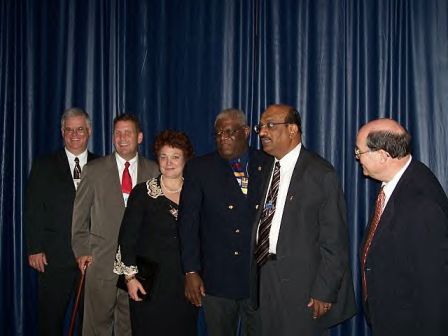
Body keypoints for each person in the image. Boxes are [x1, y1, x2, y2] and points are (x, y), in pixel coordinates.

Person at [251, 104, 356, 336]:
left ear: (292, 129)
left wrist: (324, 291)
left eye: (270, 125)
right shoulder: (265, 168)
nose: (262, 132)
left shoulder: (321, 173)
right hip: (264, 280)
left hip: (304, 287)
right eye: (261, 126)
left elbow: (335, 241)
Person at [178, 108, 269, 336]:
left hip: (259, 278)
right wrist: (190, 271)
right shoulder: (200, 168)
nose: (223, 138)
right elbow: (188, 223)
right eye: (218, 134)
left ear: (246, 132)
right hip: (217, 278)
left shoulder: (267, 163)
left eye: (230, 132)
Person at [355, 118, 448, 336]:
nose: (357, 157)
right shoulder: (402, 181)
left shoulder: (421, 204)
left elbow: (434, 289)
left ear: (383, 155)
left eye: (359, 152)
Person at [71, 113, 159, 336]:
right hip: (100, 265)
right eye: (117, 133)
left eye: (127, 133)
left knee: (129, 328)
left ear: (139, 137)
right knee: (94, 329)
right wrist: (82, 251)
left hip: (139, 267)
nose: (122, 138)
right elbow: (79, 219)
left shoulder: (155, 171)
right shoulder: (93, 170)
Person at [113, 130, 197, 335]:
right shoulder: (142, 193)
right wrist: (130, 279)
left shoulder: (196, 193)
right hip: (149, 285)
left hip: (185, 284)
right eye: (163, 157)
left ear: (185, 159)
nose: (169, 163)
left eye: (175, 157)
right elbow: (127, 238)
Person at [25, 107, 99, 335]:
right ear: (61, 132)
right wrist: (34, 248)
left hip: (93, 258)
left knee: (90, 322)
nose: (74, 135)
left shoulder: (103, 165)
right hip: (53, 258)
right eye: (69, 130)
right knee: (50, 321)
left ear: (89, 131)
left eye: (80, 130)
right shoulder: (43, 165)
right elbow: (33, 209)